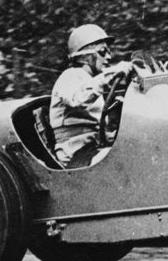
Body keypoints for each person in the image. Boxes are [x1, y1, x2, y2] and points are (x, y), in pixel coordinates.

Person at [50, 24, 133, 167]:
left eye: (108, 51)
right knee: (123, 164)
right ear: (86, 56)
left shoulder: (89, 80)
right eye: (102, 51)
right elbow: (77, 99)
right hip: (74, 153)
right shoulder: (70, 76)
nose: (109, 56)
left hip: (91, 147)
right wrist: (113, 73)